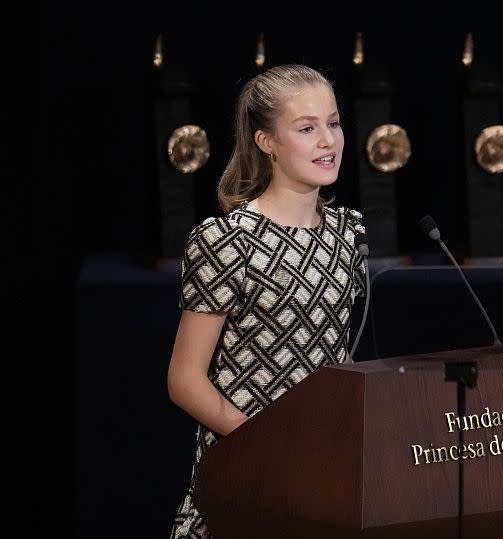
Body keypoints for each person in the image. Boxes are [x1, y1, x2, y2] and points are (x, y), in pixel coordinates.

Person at [167, 63, 365, 538]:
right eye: (306, 128)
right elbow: (184, 379)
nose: (328, 140)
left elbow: (338, 357)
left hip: (323, 481)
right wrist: (267, 447)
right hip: (248, 478)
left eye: (333, 123)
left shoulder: (347, 231)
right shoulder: (226, 240)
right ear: (266, 142)